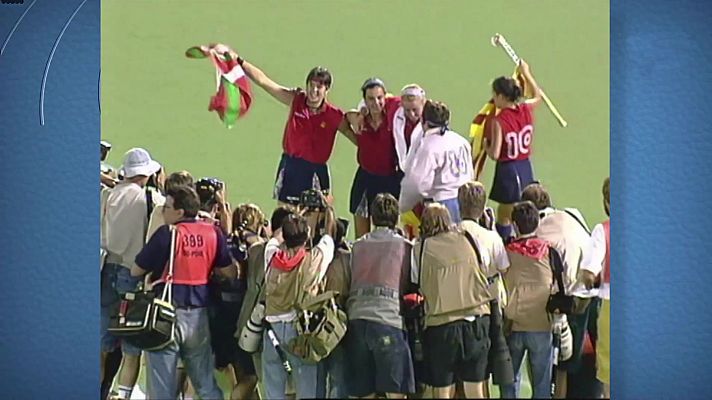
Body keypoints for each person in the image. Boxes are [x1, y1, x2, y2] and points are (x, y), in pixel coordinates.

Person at [130, 186, 235, 399]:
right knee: (205, 385)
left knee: (162, 390)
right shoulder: (212, 232)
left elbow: (136, 270)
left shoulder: (167, 234)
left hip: (166, 317)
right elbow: (230, 272)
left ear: (179, 212)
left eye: (167, 207)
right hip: (198, 317)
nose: (163, 211)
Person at [218, 44, 356, 206]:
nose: (314, 91)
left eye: (319, 87)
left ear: (327, 90)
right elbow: (264, 82)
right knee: (284, 217)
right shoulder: (296, 100)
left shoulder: (334, 115)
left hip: (315, 173)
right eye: (311, 85)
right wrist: (239, 61)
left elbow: (353, 135)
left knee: (314, 222)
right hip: (291, 167)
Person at [521, 182, 601, 398]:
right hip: (595, 290)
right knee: (602, 356)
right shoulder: (571, 214)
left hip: (571, 300)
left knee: (563, 366)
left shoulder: (538, 236)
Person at [411, 204, 492, 399]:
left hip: (442, 327)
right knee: (475, 391)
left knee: (442, 391)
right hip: (476, 321)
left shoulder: (420, 249)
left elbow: (416, 282)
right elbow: (486, 266)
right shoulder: (469, 239)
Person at [100, 147, 161, 400]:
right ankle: (123, 395)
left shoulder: (108, 195)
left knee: (101, 347)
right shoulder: (150, 199)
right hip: (133, 274)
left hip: (106, 271)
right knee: (132, 350)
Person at [261, 198, 337, 400]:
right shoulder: (314, 260)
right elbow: (329, 235)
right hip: (300, 332)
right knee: (309, 392)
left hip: (272, 332)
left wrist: (294, 218)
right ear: (308, 236)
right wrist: (328, 209)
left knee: (273, 393)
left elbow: (275, 238)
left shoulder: (271, 256)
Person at [345, 193, 415, 399]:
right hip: (389, 320)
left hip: (357, 320)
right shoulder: (405, 247)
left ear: (373, 218)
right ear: (396, 218)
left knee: (363, 393)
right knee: (395, 393)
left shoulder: (357, 246)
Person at [500, 201, 557, 399]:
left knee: (509, 384)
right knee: (542, 386)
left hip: (513, 325)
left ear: (515, 225)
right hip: (542, 325)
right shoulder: (550, 252)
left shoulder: (506, 252)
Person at [483, 60, 543, 243]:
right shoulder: (525, 109)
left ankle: (507, 245)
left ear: (501, 96)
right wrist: (527, 73)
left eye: (495, 95)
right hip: (525, 166)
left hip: (508, 171)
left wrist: (485, 145)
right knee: (523, 209)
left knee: (506, 215)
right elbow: (538, 95)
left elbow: (494, 154)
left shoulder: (498, 120)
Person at [399, 100, 474, 224]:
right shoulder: (461, 141)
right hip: (466, 203)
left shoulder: (428, 146)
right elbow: (471, 174)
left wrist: (403, 206)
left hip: (442, 206)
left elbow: (416, 184)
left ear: (424, 122)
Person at [347, 78, 403, 238]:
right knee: (361, 237)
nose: (376, 102)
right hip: (365, 180)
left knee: (390, 234)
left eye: (379, 98)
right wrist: (356, 116)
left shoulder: (393, 116)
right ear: (364, 100)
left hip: (390, 180)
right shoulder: (360, 120)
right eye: (370, 99)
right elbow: (347, 117)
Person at [579, 177, 610, 399]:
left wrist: (591, 283)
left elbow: (589, 272)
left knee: (610, 368)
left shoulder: (603, 230)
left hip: (610, 305)